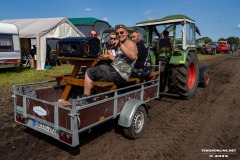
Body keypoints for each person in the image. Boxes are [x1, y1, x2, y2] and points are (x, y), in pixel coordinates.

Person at [81, 24, 137, 105]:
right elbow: (119, 59)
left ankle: (85, 99)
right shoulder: (124, 43)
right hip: (118, 72)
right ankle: (100, 94)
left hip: (119, 73)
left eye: (122, 32)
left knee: (89, 71)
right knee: (99, 68)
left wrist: (120, 45)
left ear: (127, 33)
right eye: (117, 33)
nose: (119, 35)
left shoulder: (129, 43)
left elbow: (133, 56)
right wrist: (108, 56)